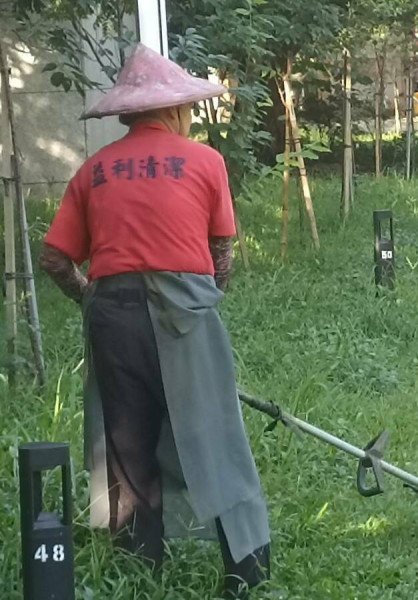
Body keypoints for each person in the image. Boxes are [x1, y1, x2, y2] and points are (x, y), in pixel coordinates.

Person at [40, 43, 270, 597]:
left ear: (128, 114)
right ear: (173, 111)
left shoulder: (93, 172)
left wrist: (92, 301)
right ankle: (246, 571)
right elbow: (222, 257)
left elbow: (54, 259)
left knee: (128, 443)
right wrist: (199, 307)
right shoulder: (206, 162)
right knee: (214, 435)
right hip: (185, 311)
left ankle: (139, 571)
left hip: (113, 316)